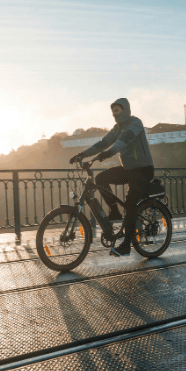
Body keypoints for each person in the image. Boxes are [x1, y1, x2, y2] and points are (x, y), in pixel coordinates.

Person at [69, 98, 154, 257]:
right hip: (129, 169)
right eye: (113, 111)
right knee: (101, 178)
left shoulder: (135, 123)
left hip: (143, 170)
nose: (115, 113)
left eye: (118, 110)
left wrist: (110, 152)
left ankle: (127, 246)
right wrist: (82, 155)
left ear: (126, 109)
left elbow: (125, 140)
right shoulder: (117, 128)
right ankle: (114, 212)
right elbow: (102, 143)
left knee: (130, 205)